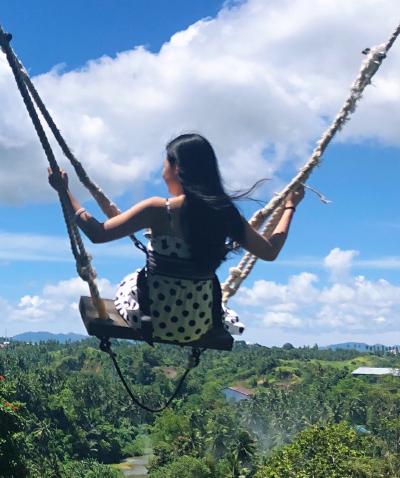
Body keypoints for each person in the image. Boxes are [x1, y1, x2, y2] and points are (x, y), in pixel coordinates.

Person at [48, 132, 304, 344]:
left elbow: (97, 233)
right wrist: (290, 207)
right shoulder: (224, 213)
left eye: (164, 165)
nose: (162, 173)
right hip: (199, 323)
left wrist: (64, 191)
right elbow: (270, 251)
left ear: (177, 168)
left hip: (151, 319)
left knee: (131, 281)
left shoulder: (160, 209)